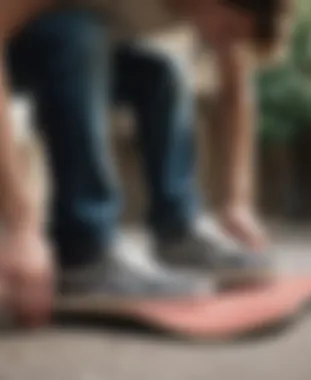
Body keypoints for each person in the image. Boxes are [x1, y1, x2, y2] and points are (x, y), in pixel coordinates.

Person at [0, 0, 283, 325]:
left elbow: (236, 89)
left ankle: (178, 233)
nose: (226, 46)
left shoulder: (223, 13)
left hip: (51, 46)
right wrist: (21, 226)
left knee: (162, 73)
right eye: (229, 30)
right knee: (78, 35)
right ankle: (84, 254)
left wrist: (238, 202)